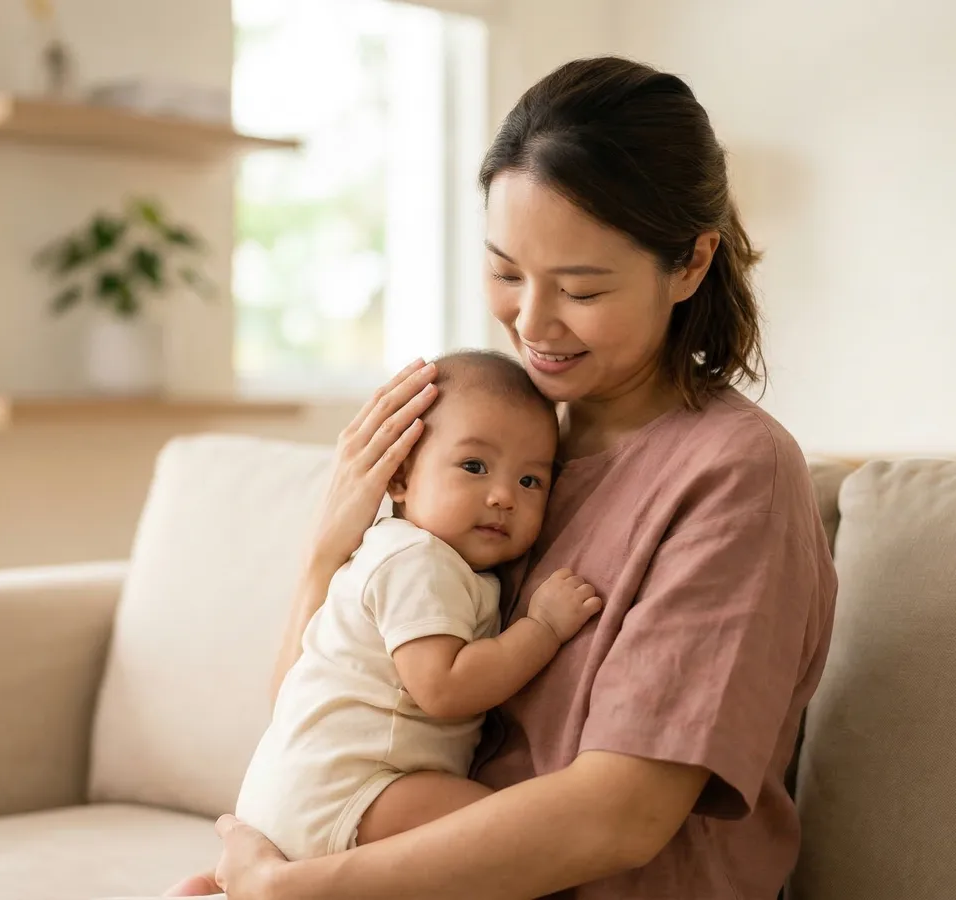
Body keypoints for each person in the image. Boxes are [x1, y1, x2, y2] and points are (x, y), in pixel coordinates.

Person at [206, 56, 837, 900]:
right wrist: (330, 551)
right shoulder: (498, 438)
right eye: (506, 273)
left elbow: (620, 819)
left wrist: (297, 890)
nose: (531, 324)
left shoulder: (735, 475)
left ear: (689, 264)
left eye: (580, 287)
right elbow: (320, 717)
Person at [227, 350, 602, 869]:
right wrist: (541, 628)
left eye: (530, 481)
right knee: (510, 834)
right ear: (399, 479)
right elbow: (445, 688)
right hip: (349, 790)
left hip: (307, 792)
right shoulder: (417, 560)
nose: (503, 497)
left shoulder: (424, 561)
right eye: (474, 466)